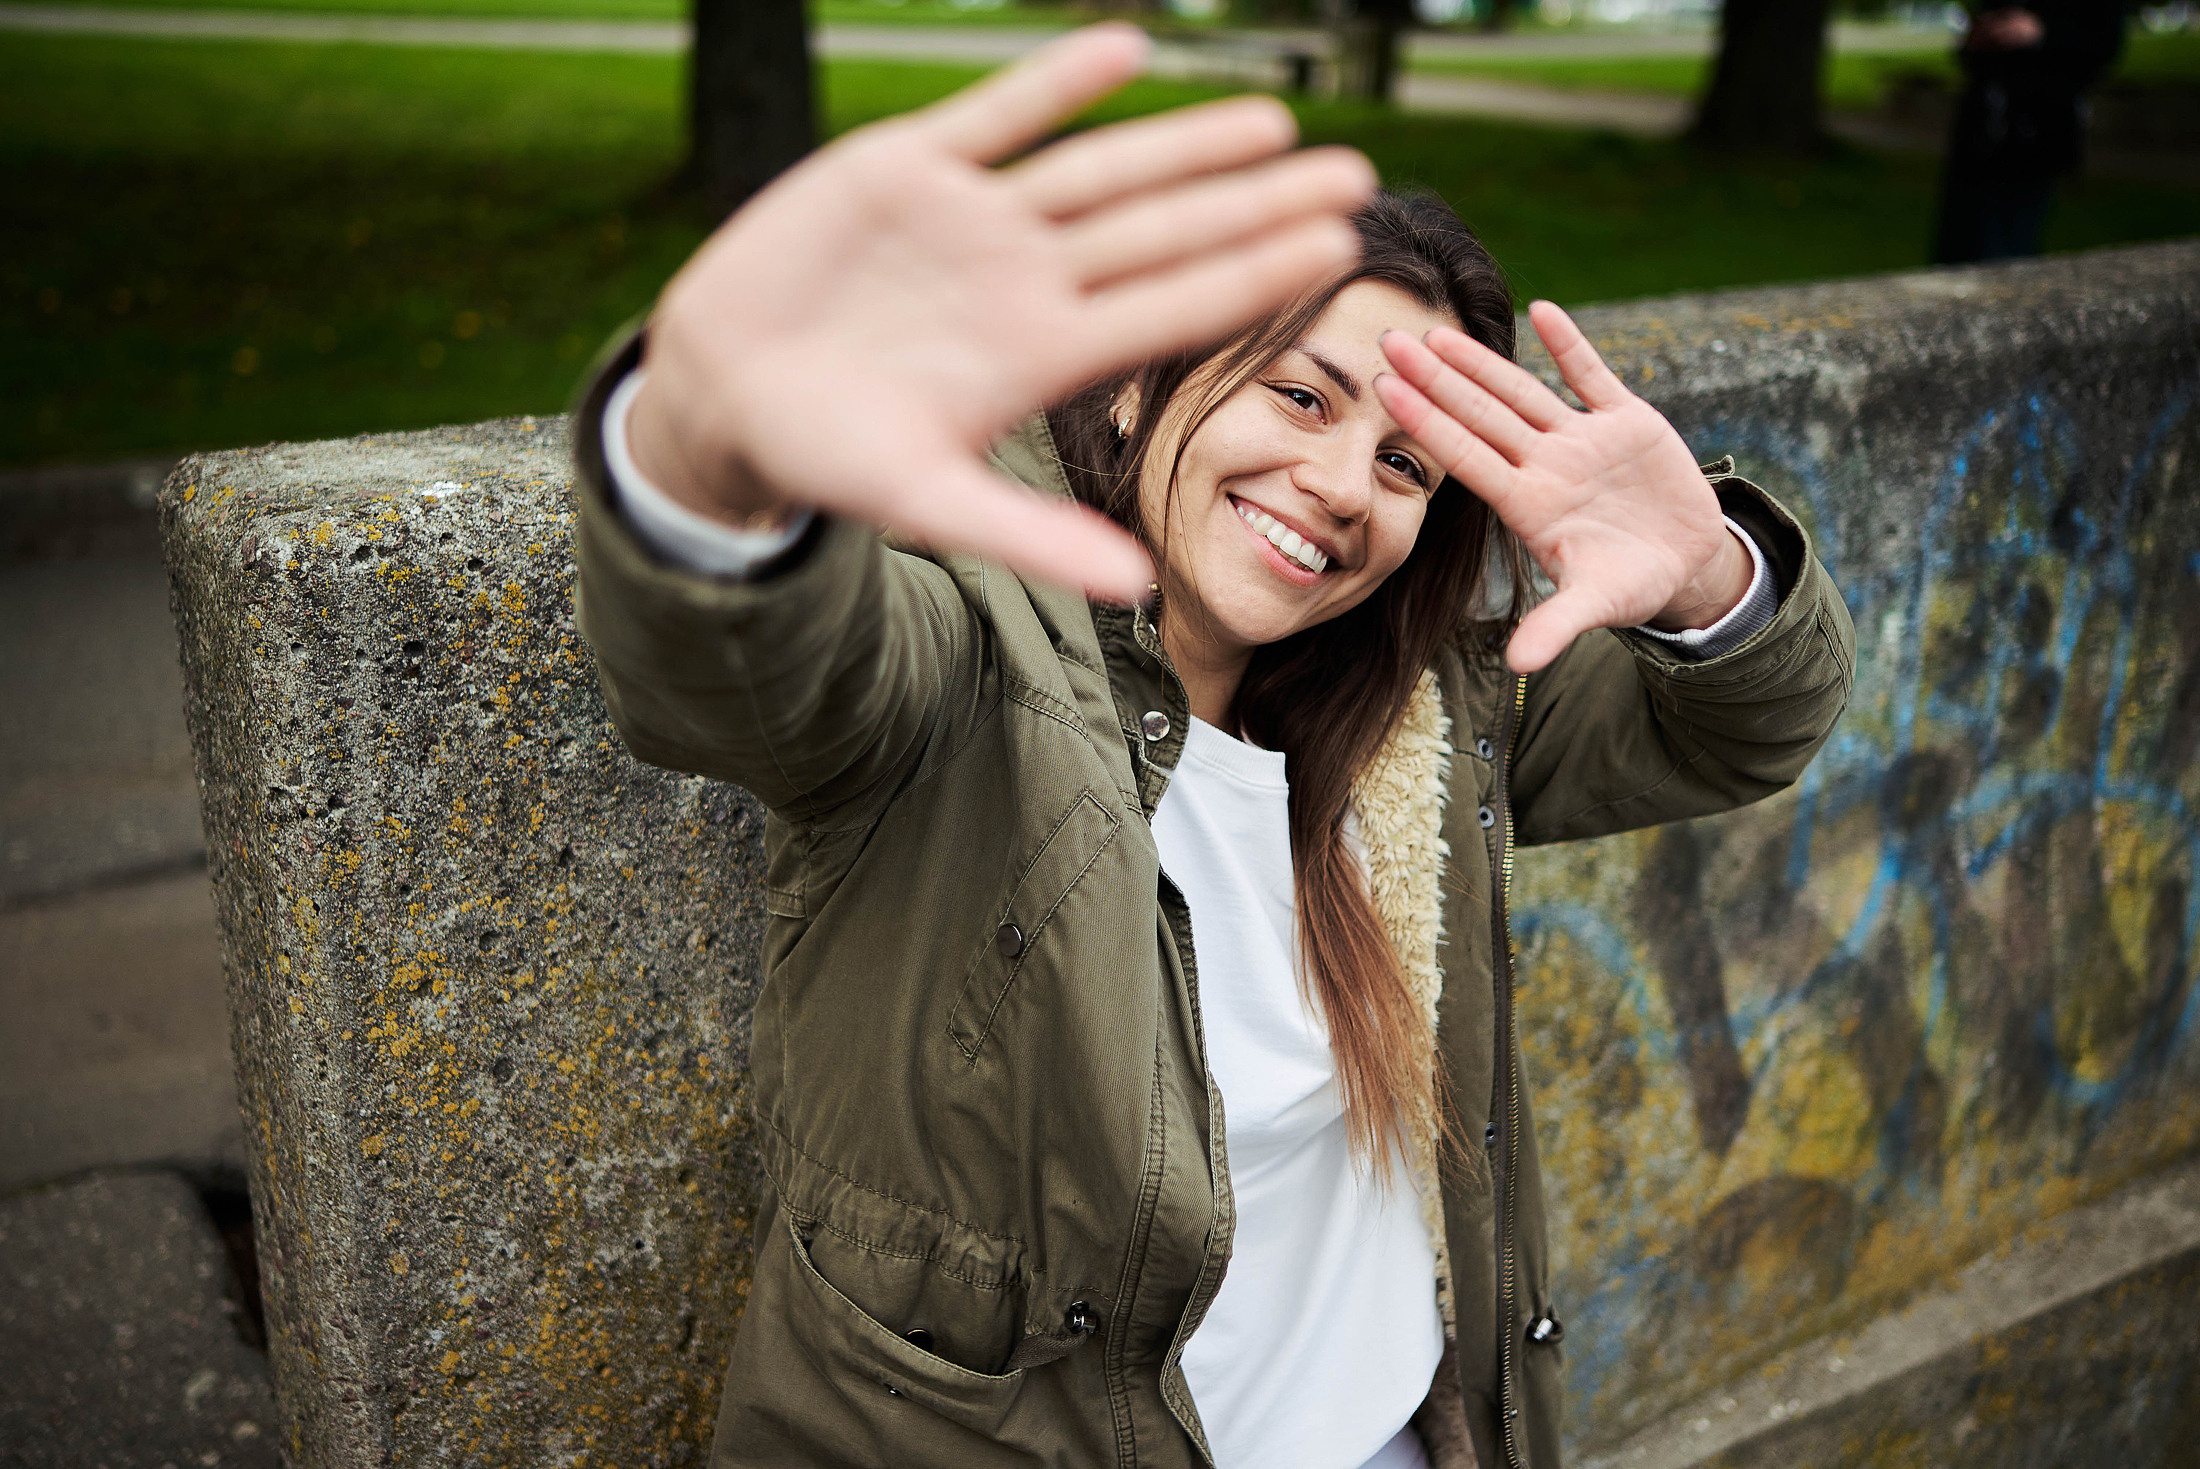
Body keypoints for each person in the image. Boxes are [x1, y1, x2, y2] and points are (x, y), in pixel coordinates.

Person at [571, 24, 1854, 1469]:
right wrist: (699, 451)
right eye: (1300, 395)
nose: (1343, 485)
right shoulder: (968, 655)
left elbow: (1742, 726)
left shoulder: (1415, 719)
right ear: (1130, 381)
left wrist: (1706, 581)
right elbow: (747, 671)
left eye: (1404, 463)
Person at [1931, 0, 2131, 264]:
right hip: (1980, 128)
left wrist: (2041, 32)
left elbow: (2103, 45)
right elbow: (1970, 54)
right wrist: (1978, 39)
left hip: (2037, 130)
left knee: (2007, 244)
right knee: (1959, 240)